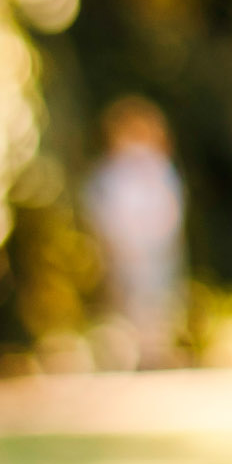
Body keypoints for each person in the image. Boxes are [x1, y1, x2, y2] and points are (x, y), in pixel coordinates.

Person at [82, 96, 187, 370]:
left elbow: (169, 209)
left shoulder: (158, 170)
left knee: (157, 301)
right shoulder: (113, 173)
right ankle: (127, 354)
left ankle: (153, 353)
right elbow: (100, 207)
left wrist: (159, 238)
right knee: (124, 302)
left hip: (154, 249)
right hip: (123, 249)